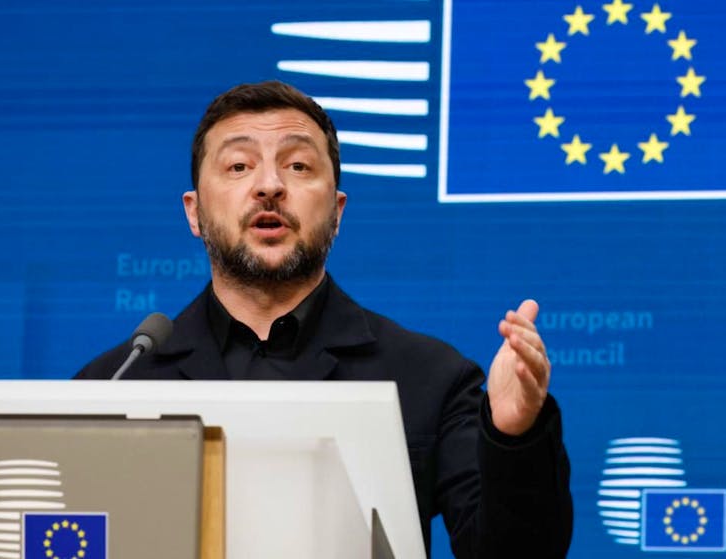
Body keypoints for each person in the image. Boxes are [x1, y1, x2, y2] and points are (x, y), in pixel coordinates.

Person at [76, 80, 573, 557]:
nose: (269, 186)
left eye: (297, 165)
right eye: (238, 166)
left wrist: (514, 435)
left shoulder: (428, 376)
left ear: (336, 212)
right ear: (195, 212)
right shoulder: (114, 385)